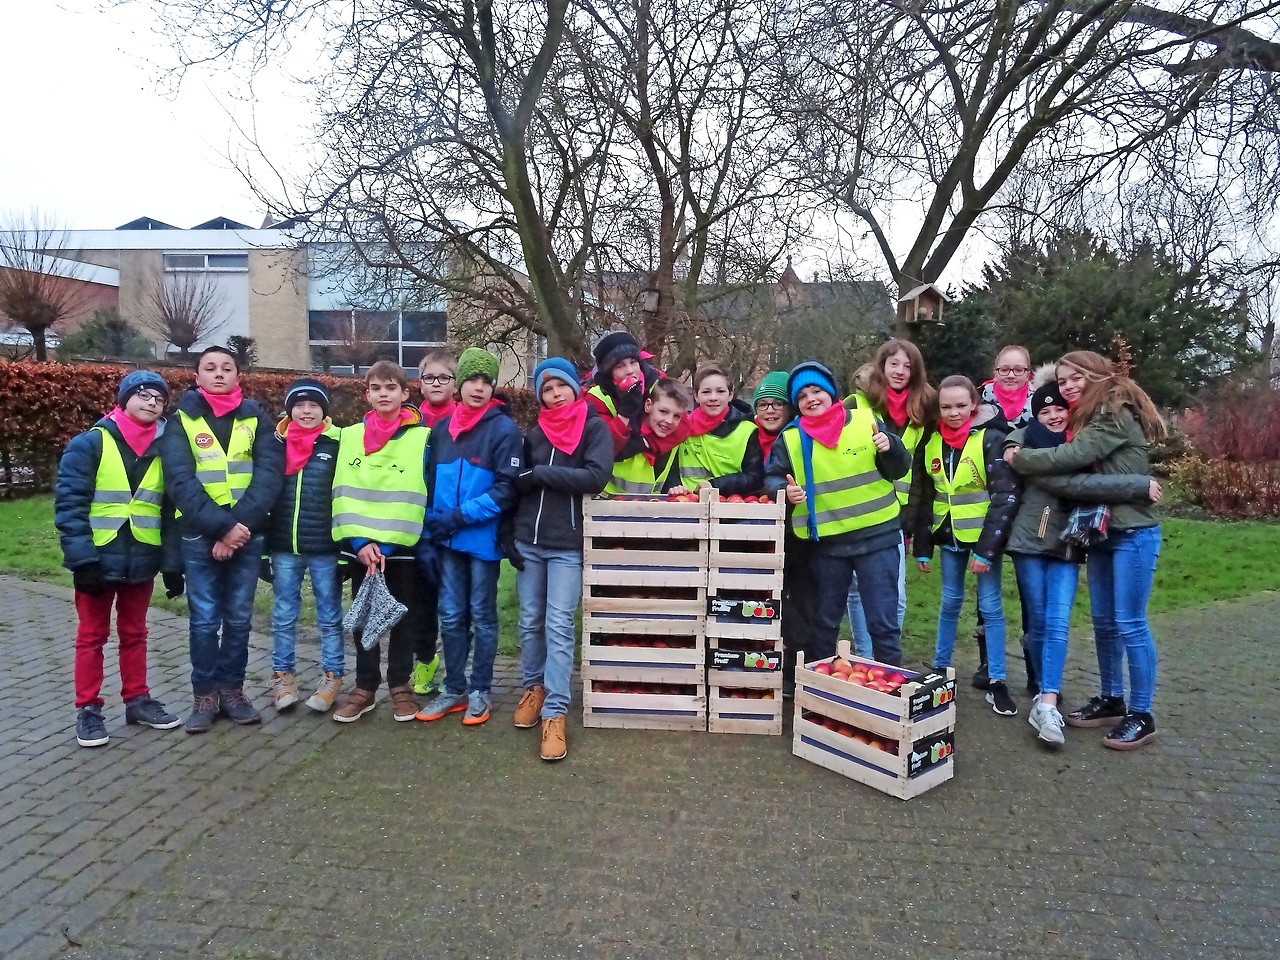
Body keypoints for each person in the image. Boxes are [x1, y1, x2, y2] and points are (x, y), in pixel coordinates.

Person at [1008, 350, 1166, 750]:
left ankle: (1142, 713)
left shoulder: (1113, 412)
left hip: (1132, 532)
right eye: (1062, 382)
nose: (1069, 386)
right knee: (1104, 623)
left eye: (1076, 377)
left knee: (1130, 623)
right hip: (1101, 533)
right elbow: (1043, 436)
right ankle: (1112, 699)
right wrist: (1015, 441)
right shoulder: (1086, 417)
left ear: (1097, 375)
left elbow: (1070, 459)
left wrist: (1021, 459)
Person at [55, 370, 182, 747]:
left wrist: (172, 565)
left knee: (135, 634)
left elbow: (169, 511)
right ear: (123, 399)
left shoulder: (167, 448)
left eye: (158, 399)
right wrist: (82, 561)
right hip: (97, 558)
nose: (150, 402)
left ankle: (137, 700)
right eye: (142, 395)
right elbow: (70, 505)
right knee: (92, 636)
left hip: (142, 555)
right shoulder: (90, 443)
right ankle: (89, 709)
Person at [163, 346, 284, 733]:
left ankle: (233, 691)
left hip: (246, 536)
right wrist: (221, 529)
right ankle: (205, 695)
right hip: (200, 536)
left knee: (238, 619)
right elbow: (180, 482)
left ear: (238, 376)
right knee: (203, 621)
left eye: (227, 368)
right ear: (197, 377)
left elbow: (269, 477)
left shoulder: (256, 418)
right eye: (210, 368)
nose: (219, 374)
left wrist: (236, 531)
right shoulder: (181, 421)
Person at [763, 361, 910, 668]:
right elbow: (773, 477)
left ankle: (891, 689)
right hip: (828, 546)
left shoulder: (865, 420)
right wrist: (785, 493)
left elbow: (899, 467)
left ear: (831, 393)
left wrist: (890, 447)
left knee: (883, 624)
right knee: (824, 625)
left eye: (816, 390)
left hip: (877, 537)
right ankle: (818, 693)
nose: (811, 399)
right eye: (802, 396)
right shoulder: (791, 438)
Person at [511, 358, 613, 761]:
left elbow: (595, 476)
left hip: (566, 544)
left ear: (574, 387)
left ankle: (556, 711)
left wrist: (541, 475)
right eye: (546, 389)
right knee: (529, 620)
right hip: (528, 542)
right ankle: (533, 688)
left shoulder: (593, 428)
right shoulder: (534, 434)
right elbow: (519, 482)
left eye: (560, 386)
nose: (555, 395)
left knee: (558, 625)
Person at [417, 347, 523, 727]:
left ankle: (480, 689)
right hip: (447, 541)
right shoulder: (441, 430)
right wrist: (432, 527)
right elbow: (428, 484)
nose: (478, 388)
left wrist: (460, 517)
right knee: (450, 615)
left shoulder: (503, 429)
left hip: (482, 541)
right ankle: (454, 688)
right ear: (459, 384)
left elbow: (506, 489)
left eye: (486, 381)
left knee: (481, 614)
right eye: (472, 380)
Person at [330, 361, 433, 724]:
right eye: (376, 388)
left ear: (406, 394)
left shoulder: (422, 437)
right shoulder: (349, 437)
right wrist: (360, 543)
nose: (383, 394)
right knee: (364, 620)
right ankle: (365, 687)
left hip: (400, 549)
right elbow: (342, 492)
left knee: (403, 617)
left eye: (391, 387)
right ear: (367, 394)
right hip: (362, 550)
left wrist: (385, 547)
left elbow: (419, 494)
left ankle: (400, 685)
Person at [912, 374, 1020, 716]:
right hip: (948, 537)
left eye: (961, 406)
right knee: (949, 602)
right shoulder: (931, 442)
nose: (954, 412)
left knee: (990, 607)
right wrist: (923, 547)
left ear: (974, 405)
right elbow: (926, 497)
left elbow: (1004, 496)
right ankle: (941, 669)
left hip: (983, 540)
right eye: (946, 407)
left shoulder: (991, 438)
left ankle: (998, 680)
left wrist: (987, 550)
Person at [845, 339, 936, 658]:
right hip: (857, 511)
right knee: (857, 591)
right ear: (881, 366)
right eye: (894, 364)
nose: (900, 371)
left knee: (894, 597)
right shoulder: (855, 405)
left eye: (908, 366)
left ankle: (886, 656)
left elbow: (924, 473)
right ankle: (865, 657)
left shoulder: (924, 409)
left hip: (894, 518)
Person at [265, 378, 345, 714]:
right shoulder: (274, 444)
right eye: (300, 405)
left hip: (325, 546)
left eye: (314, 405)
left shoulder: (337, 443)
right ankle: (283, 677)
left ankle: (332, 676)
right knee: (284, 614)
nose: (307, 411)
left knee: (329, 615)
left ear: (323, 410)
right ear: (290, 409)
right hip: (284, 544)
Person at [973, 344, 1036, 688]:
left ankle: (1034, 667)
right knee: (986, 593)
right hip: (990, 505)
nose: (1010, 375)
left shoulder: (1044, 402)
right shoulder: (978, 402)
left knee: (1030, 590)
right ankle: (987, 663)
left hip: (1033, 506)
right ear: (994, 371)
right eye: (1004, 369)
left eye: (1018, 369)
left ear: (1029, 372)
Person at [409, 349, 458, 698]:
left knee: (455, 603)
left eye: (444, 377)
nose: (436, 383)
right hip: (413, 524)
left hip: (453, 524)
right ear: (419, 384)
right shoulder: (408, 421)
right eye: (430, 378)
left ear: (455, 383)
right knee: (421, 602)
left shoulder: (464, 420)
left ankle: (458, 669)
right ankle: (425, 660)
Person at [676, 361, 764, 495]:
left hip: (730, 508)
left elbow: (755, 478)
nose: (713, 398)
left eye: (720, 391)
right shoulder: (681, 428)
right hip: (687, 506)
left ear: (730, 395)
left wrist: (715, 485)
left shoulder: (747, 430)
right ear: (696, 396)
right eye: (706, 392)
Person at [604, 377, 692, 496]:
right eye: (663, 411)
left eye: (677, 416)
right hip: (606, 507)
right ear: (648, 405)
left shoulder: (675, 441)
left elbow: (667, 482)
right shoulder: (625, 432)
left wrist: (676, 491)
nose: (669, 421)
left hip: (647, 510)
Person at [585, 330, 666, 451]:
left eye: (633, 362)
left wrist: (646, 443)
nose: (630, 370)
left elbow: (682, 424)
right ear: (609, 373)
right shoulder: (597, 397)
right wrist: (624, 414)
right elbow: (602, 445)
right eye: (619, 366)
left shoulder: (658, 383)